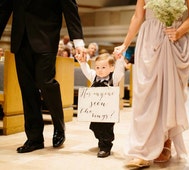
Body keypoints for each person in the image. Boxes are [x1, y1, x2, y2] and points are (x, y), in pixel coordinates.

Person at [113, 0, 189, 168]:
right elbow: (138, 16)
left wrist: (179, 31)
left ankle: (165, 141)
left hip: (173, 39)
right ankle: (141, 149)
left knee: (168, 93)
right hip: (148, 41)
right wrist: (125, 44)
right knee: (146, 96)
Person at [0, 0, 85, 153]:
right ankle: (34, 138)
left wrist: (78, 41)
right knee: (27, 89)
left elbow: (69, 7)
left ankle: (59, 125)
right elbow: (4, 7)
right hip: (21, 38)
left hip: (46, 36)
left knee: (45, 82)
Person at [76, 52, 124, 158]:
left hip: (108, 112)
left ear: (111, 68)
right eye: (97, 67)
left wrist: (120, 60)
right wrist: (83, 63)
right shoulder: (94, 76)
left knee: (107, 129)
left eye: (103, 67)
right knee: (95, 127)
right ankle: (101, 139)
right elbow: (87, 71)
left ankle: (106, 146)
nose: (100, 70)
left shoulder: (114, 78)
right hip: (96, 110)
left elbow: (120, 71)